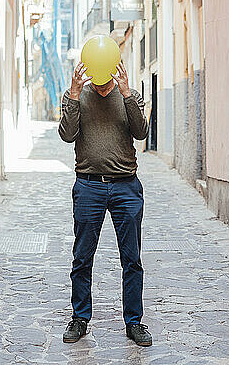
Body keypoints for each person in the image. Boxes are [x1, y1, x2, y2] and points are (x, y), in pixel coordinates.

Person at [58, 60, 152, 347]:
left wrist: (126, 95)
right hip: (88, 186)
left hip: (126, 187)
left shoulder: (130, 95)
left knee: (132, 258)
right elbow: (67, 134)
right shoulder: (76, 95)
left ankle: (134, 322)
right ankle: (80, 318)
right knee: (82, 257)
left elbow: (141, 132)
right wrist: (74, 95)